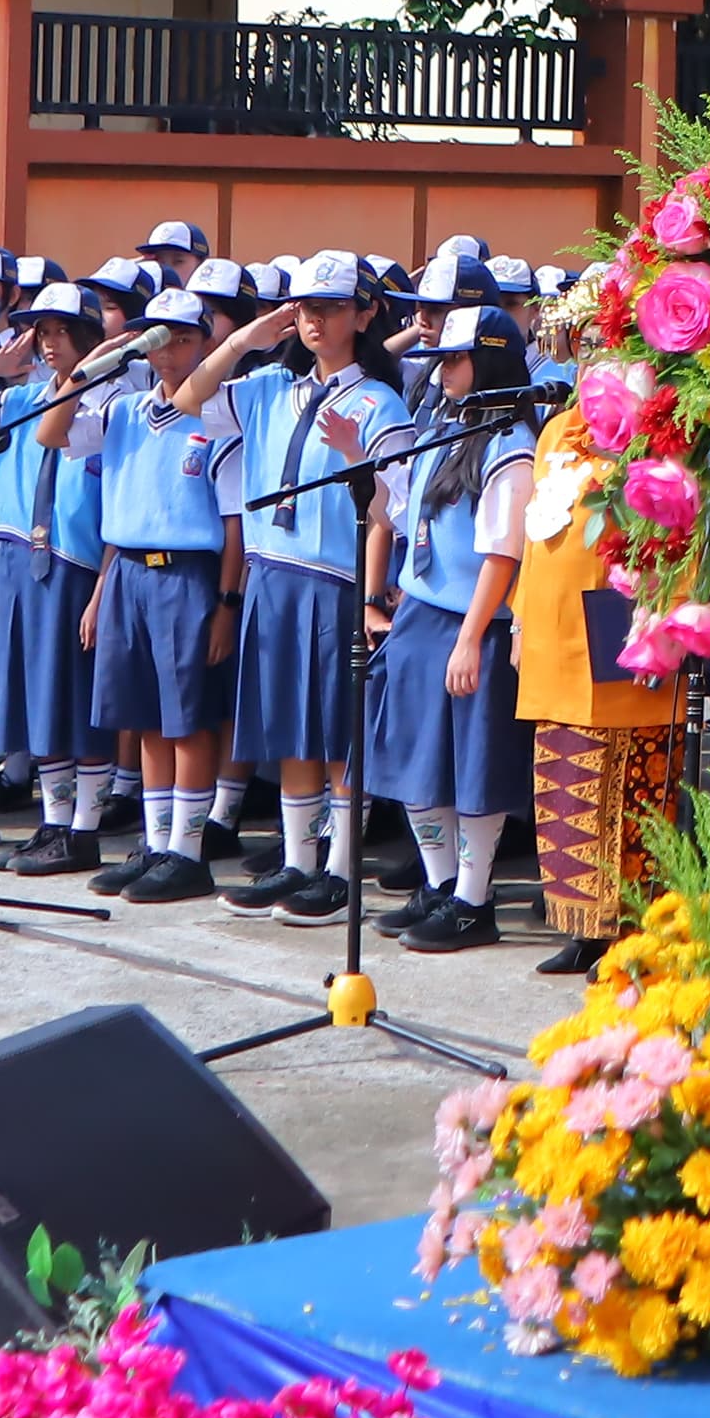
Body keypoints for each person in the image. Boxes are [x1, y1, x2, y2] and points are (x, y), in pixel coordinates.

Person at [177, 251, 408, 926]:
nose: (315, 320)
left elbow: (389, 511)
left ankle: (339, 871)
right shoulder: (273, 387)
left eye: (332, 308)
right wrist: (247, 339)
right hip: (273, 575)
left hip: (334, 581)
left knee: (337, 730)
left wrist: (371, 592)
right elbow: (190, 397)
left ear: (364, 314)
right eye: (306, 308)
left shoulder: (378, 400)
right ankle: (299, 863)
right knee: (290, 727)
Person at [369, 304, 534, 954]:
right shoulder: (443, 424)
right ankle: (439, 884)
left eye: (456, 360)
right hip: (420, 611)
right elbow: (407, 517)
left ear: (489, 361)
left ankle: (473, 897)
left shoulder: (509, 446)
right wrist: (363, 466)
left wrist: (470, 637)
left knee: (472, 768)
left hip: (474, 623)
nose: (443, 372)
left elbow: (504, 551)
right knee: (414, 760)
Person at [77, 284, 246, 905]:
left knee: (187, 719)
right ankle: (155, 840)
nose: (170, 352)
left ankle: (188, 849)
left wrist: (227, 605)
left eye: (184, 339)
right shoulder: (122, 409)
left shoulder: (214, 419)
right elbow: (51, 433)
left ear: (204, 343)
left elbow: (234, 526)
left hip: (187, 574)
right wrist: (104, 357)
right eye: (159, 339)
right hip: (128, 570)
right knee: (146, 715)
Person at [0, 280, 117, 877]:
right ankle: (54, 818)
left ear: (93, 339)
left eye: (63, 333)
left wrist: (102, 592)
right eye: (42, 333)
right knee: (37, 706)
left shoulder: (111, 405)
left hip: (76, 566)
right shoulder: (13, 401)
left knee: (73, 704)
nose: (49, 345)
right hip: (19, 561)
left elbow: (121, 510)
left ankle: (84, 828)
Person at [511, 360, 676, 980]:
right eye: (591, 354)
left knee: (624, 792)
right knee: (563, 792)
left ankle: (627, 935)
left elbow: (684, 535)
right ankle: (580, 928)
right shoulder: (558, 431)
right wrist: (522, 619)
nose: (601, 368)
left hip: (620, 636)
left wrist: (660, 624)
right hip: (554, 637)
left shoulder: (661, 436)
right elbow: (535, 535)